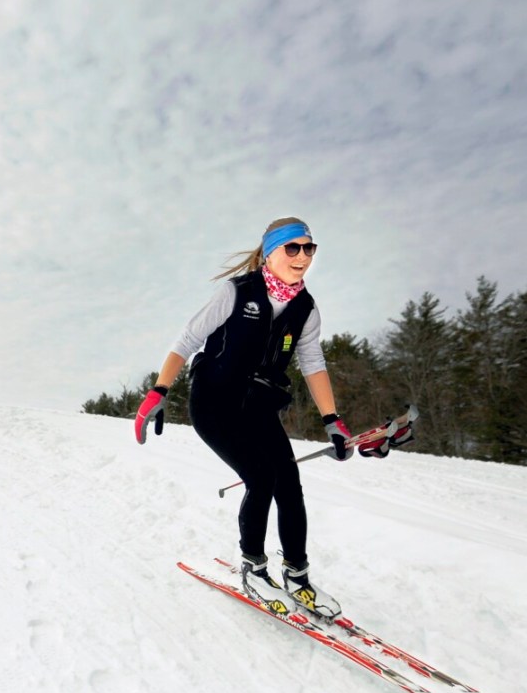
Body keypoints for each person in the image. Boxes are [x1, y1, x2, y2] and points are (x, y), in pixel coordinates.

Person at [133, 217, 396, 619]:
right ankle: (253, 569)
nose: (302, 256)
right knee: (260, 477)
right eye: (293, 248)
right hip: (214, 404)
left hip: (257, 406)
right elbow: (187, 339)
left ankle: (297, 577)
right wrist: (158, 391)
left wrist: (332, 420)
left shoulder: (305, 308)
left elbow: (313, 363)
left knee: (289, 483)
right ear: (271, 252)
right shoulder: (237, 293)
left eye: (309, 248)